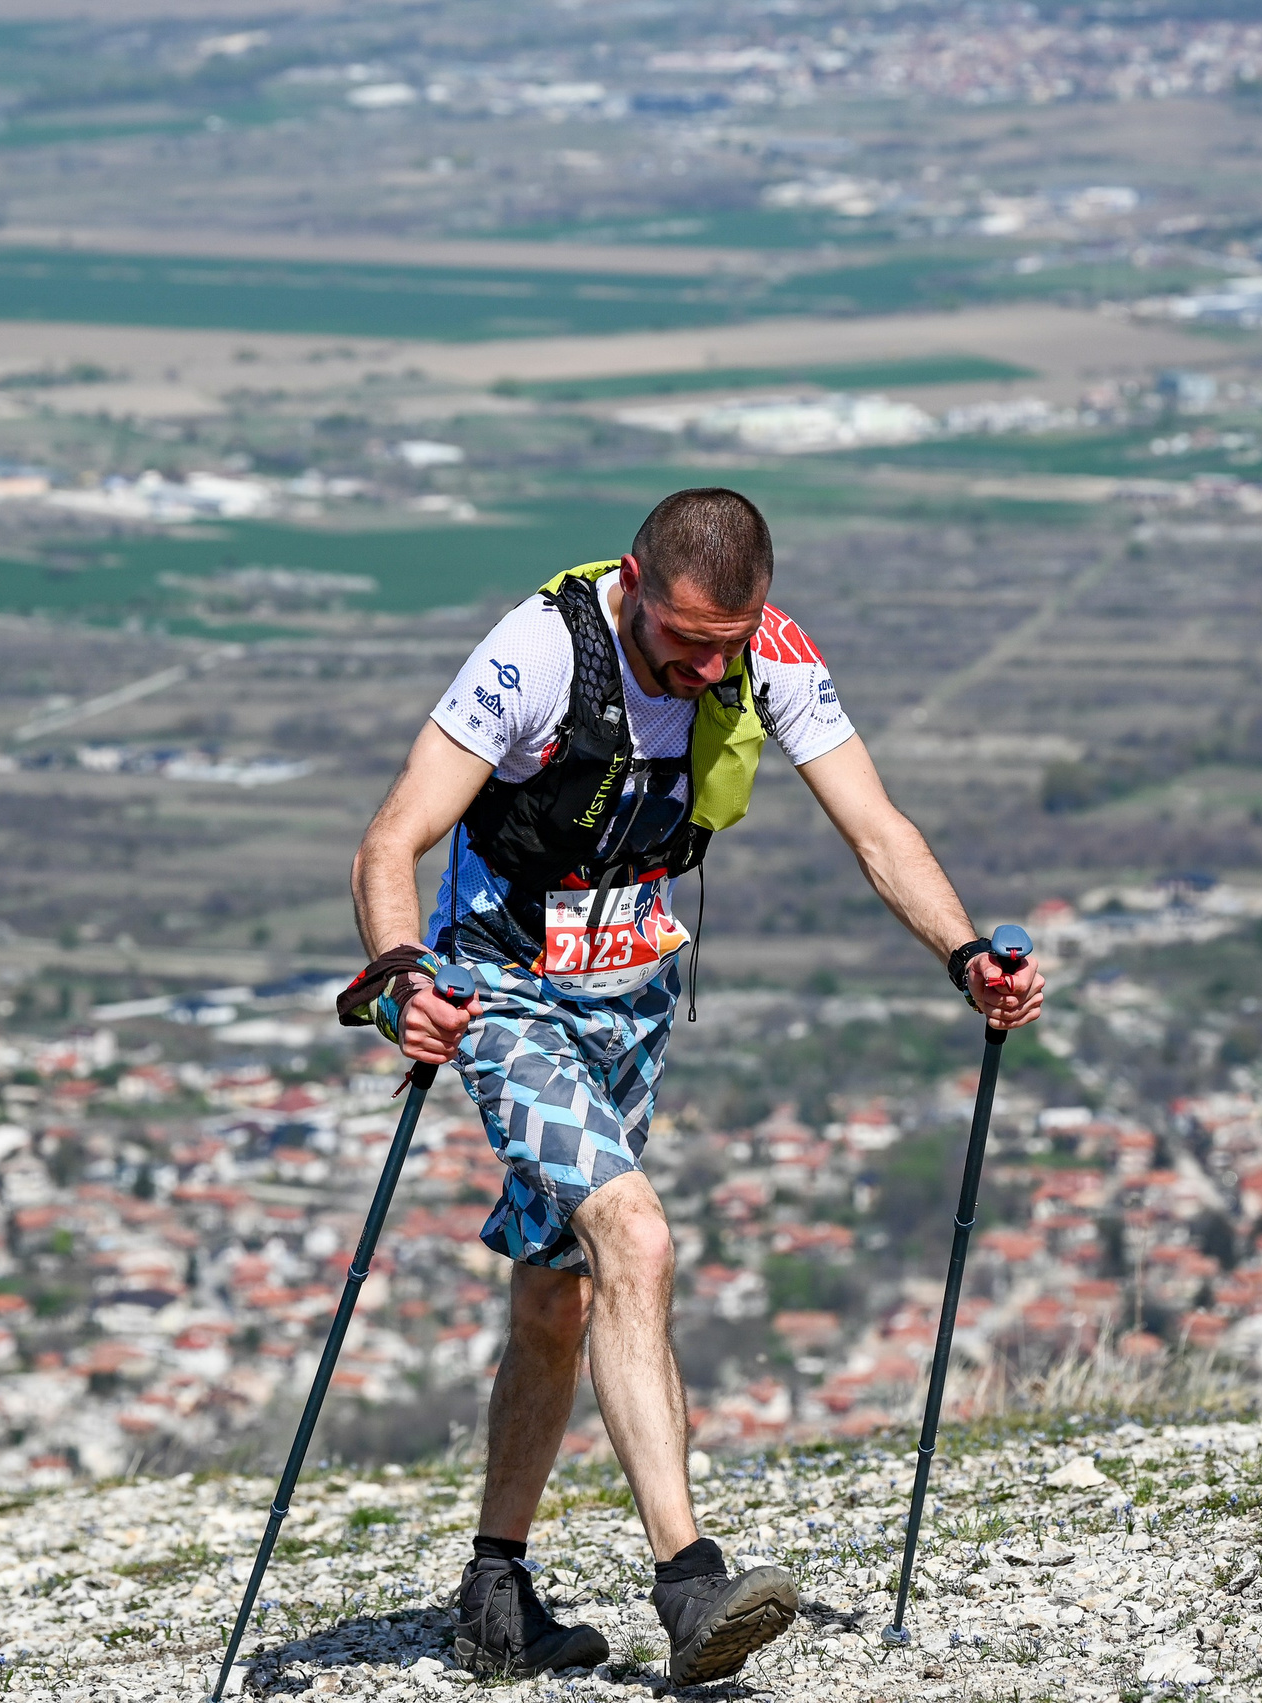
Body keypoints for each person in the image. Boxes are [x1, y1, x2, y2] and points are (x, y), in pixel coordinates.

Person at [339, 488, 1045, 1684]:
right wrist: (403, 970)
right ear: (632, 580)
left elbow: (875, 825)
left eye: (729, 641)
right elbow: (390, 836)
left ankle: (495, 1584)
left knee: (562, 1285)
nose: (705, 666)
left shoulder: (763, 651)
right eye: (683, 640)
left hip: (634, 991)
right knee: (636, 1236)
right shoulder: (537, 651)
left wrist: (964, 953)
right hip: (501, 984)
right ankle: (688, 1579)